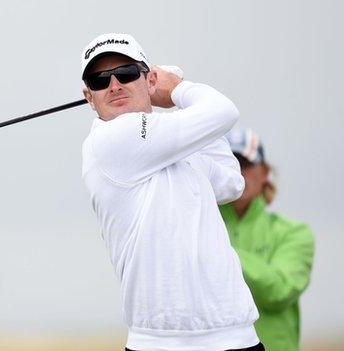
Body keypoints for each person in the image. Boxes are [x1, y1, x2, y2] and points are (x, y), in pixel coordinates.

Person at [80, 33, 263, 350]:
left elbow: (232, 183)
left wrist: (182, 109)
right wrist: (179, 89)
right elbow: (224, 111)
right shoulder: (110, 141)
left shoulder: (170, 146)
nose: (114, 85)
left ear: (148, 77)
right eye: (99, 80)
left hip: (236, 337)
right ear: (88, 96)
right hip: (160, 344)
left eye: (125, 73)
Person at [219, 128, 315, 351]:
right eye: (229, 162)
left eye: (245, 163)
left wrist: (219, 252)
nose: (237, 171)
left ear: (264, 173)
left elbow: (279, 291)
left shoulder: (294, 233)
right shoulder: (194, 226)